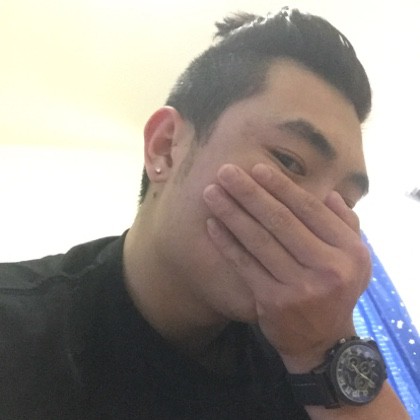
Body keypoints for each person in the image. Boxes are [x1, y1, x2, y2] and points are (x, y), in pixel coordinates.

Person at [0, 6, 410, 420]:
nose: (321, 228)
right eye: (289, 161)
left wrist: (323, 352)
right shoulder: (17, 331)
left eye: (346, 203)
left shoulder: (302, 364)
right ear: (165, 149)